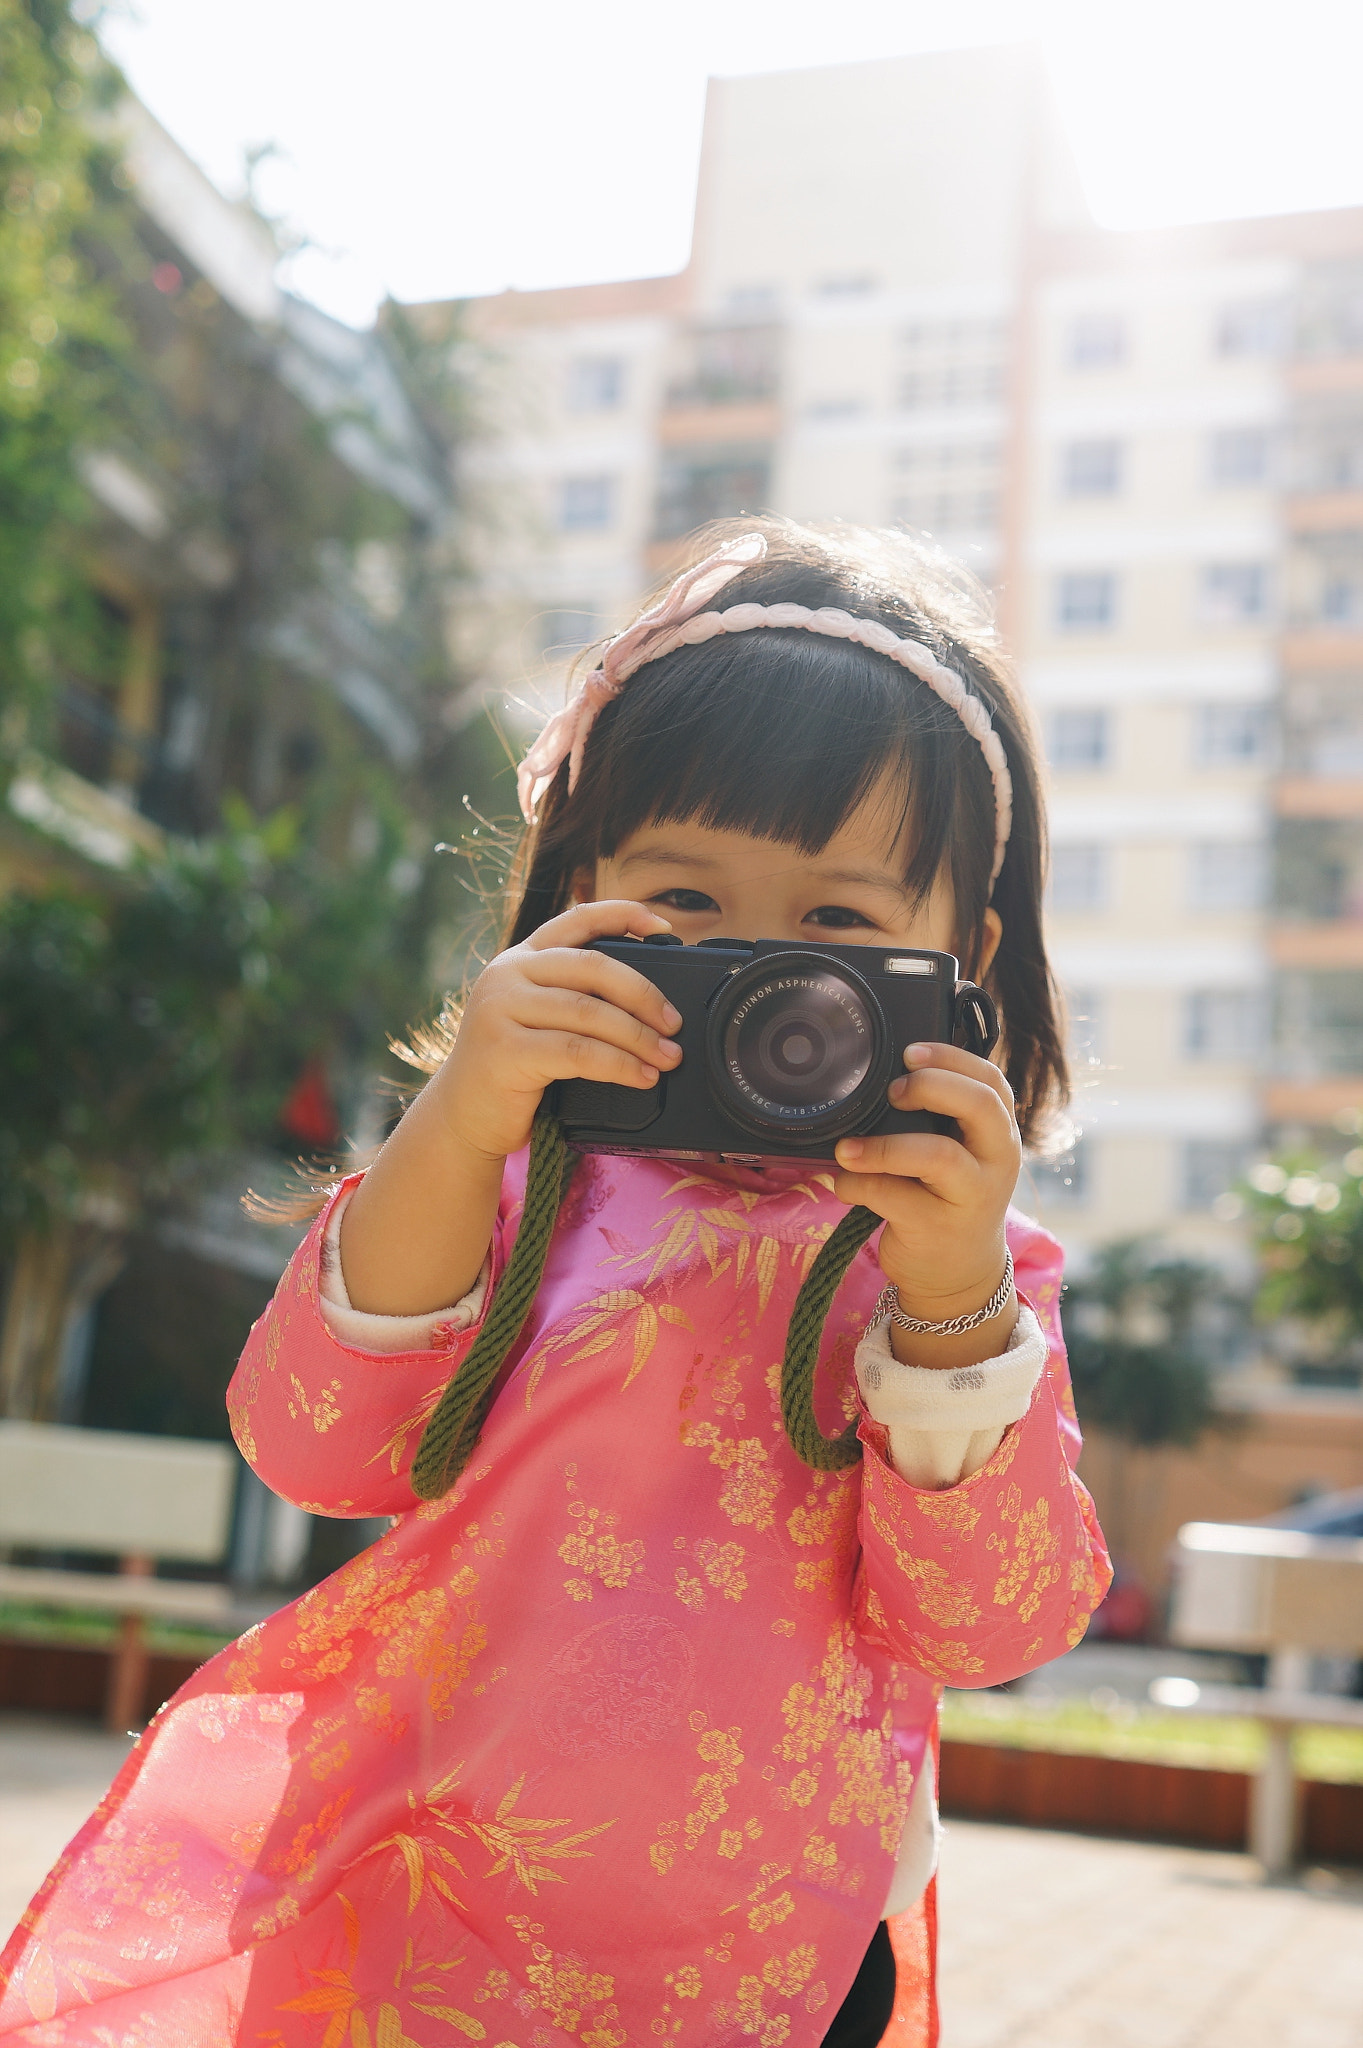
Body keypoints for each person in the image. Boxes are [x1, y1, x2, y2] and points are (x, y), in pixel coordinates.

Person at [0, 520, 1111, 2048]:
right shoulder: (512, 1180)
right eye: (685, 908)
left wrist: (951, 1306)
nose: (756, 981)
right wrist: (457, 1121)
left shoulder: (959, 1266)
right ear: (574, 891)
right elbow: (313, 1446)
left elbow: (993, 1625)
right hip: (414, 1905)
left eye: (839, 926)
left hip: (777, 1955)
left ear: (960, 953)